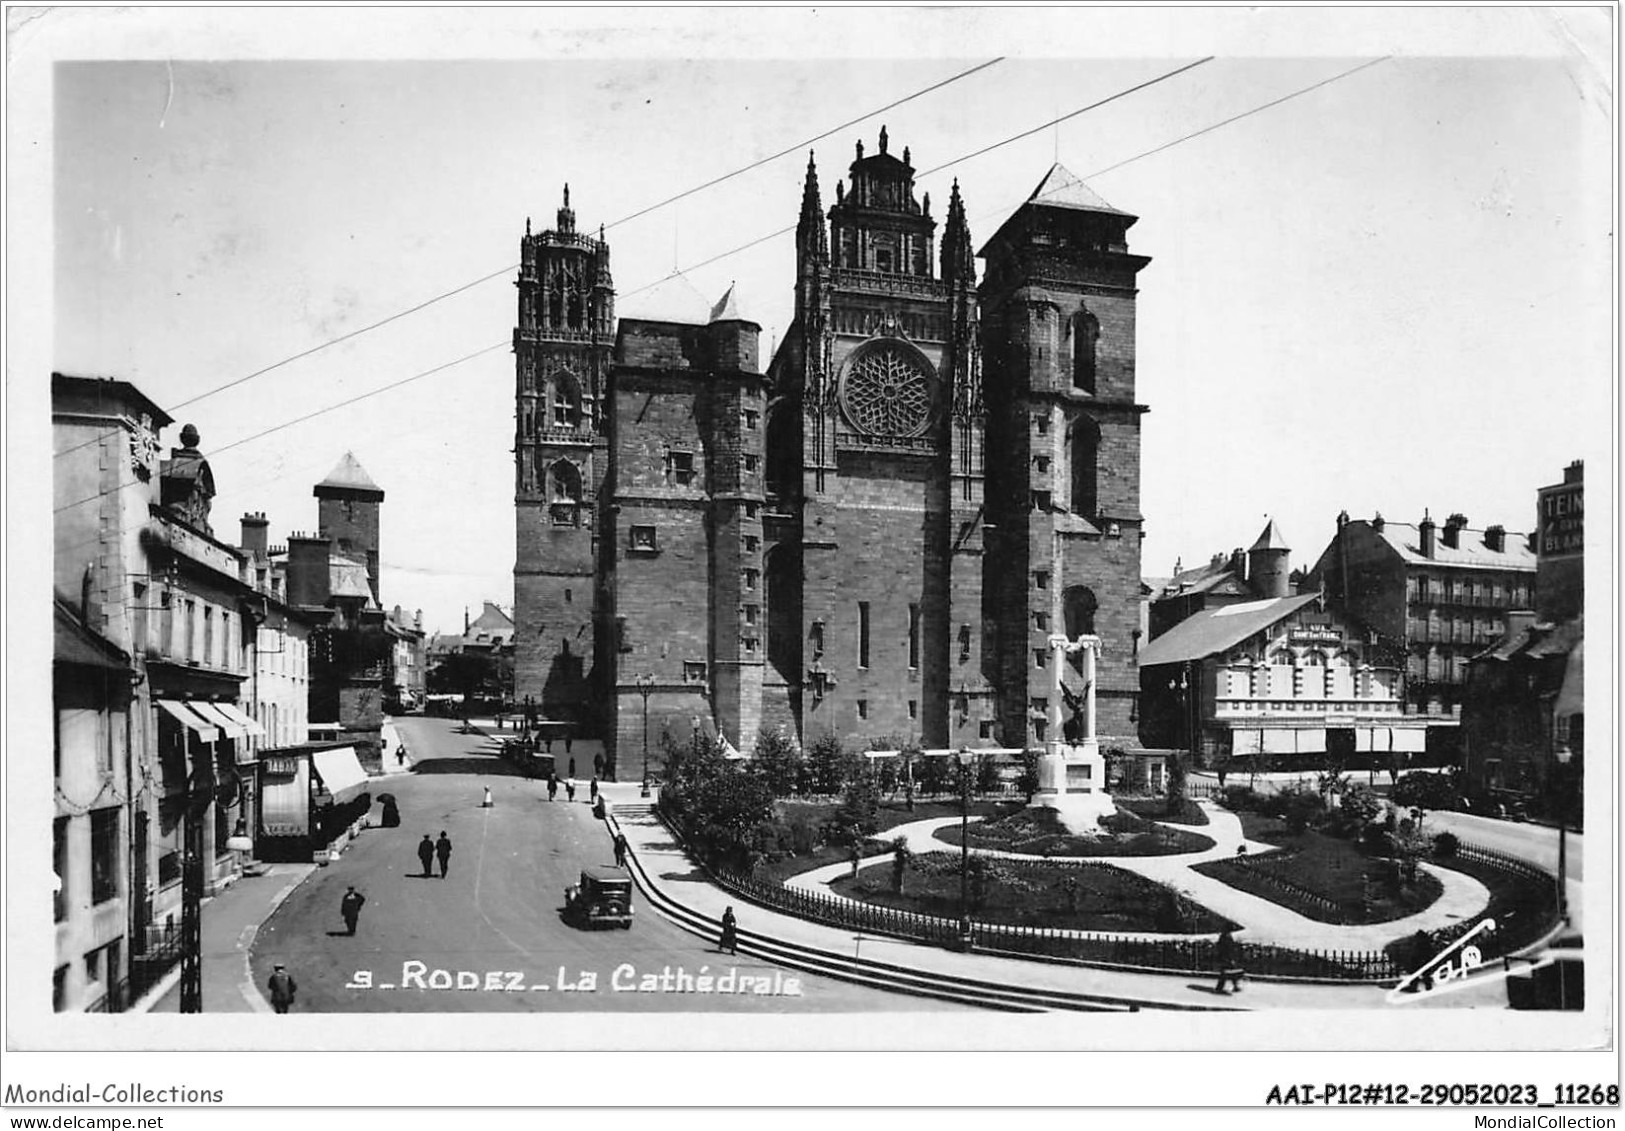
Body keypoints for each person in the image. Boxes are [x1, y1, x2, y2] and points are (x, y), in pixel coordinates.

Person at [1213, 928, 1244, 994]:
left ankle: (1234, 986)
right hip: (1226, 958)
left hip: (1226, 958)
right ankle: (1219, 988)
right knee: (1225, 973)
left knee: (1232, 972)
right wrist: (1231, 958)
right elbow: (1228, 949)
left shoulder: (1225, 937)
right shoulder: (1226, 937)